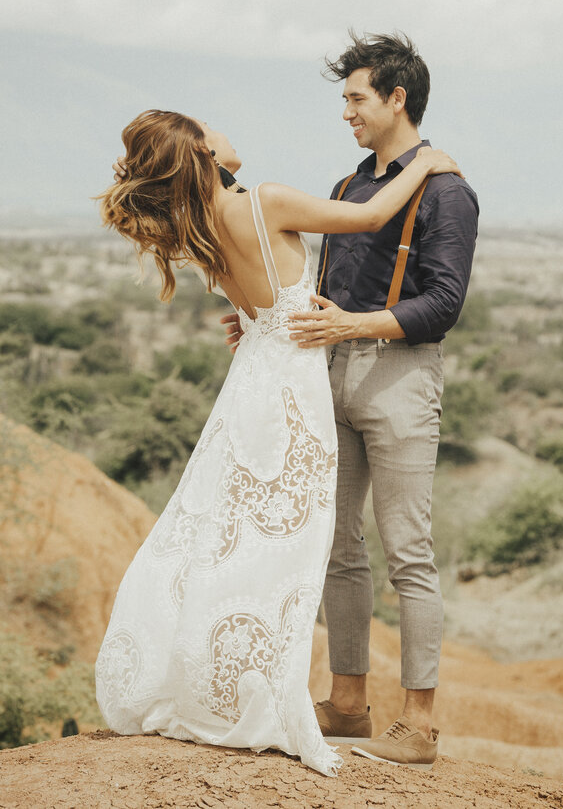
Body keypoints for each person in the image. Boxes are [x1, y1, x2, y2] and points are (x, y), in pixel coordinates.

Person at [94, 108, 460, 777]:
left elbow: (257, 310)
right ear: (203, 152)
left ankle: (226, 681)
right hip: (295, 387)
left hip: (249, 386)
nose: (225, 130)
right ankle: (270, 691)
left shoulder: (195, 226)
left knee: (225, 535)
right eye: (210, 129)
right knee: (292, 546)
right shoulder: (263, 201)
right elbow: (372, 217)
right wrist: (427, 166)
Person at [225, 33, 479, 770]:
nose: (346, 113)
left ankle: (420, 723)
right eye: (345, 100)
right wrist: (257, 320)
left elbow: (443, 303)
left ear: (396, 98)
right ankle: (346, 703)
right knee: (335, 545)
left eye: (355, 98)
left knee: (407, 551)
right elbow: (326, 288)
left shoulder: (448, 190)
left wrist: (351, 326)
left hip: (401, 378)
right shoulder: (347, 188)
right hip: (329, 369)